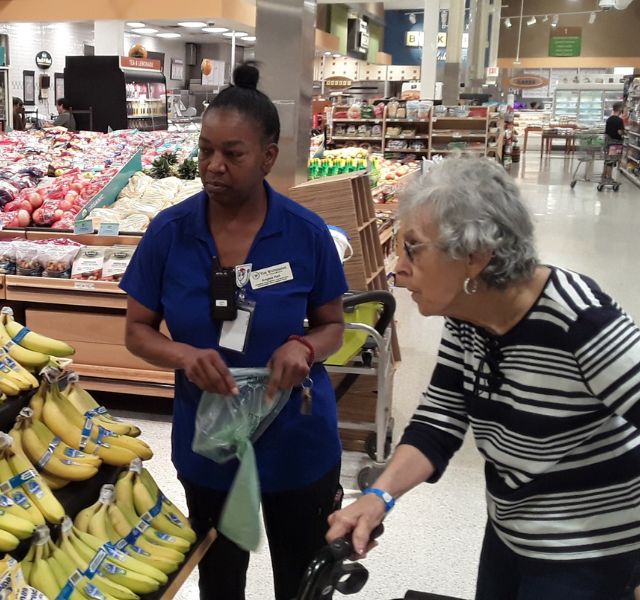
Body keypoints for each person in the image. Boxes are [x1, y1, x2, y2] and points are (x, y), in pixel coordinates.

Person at [327, 156, 640, 600]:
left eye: (412, 248)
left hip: (590, 551)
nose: (397, 267)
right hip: (510, 532)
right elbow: (440, 419)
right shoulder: (467, 314)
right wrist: (379, 497)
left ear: (475, 258)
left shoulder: (580, 320)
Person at [121, 62, 348, 600]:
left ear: (269, 157)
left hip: (296, 437)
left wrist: (305, 346)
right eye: (205, 151)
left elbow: (334, 325)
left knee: (301, 577)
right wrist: (183, 356)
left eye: (232, 153)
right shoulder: (169, 233)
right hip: (211, 440)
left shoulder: (305, 233)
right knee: (220, 577)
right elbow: (136, 330)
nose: (213, 166)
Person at [604, 101, 625, 179]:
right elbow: (619, 132)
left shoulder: (609, 119)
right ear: (620, 109)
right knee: (612, 160)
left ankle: (604, 174)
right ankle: (609, 177)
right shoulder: (619, 120)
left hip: (608, 141)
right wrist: (624, 133)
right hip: (615, 142)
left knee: (607, 159)